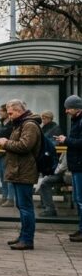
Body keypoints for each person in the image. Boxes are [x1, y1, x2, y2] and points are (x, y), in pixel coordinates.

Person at [0, 98, 41, 250]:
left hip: (24, 170)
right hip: (18, 170)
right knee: (22, 206)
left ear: (19, 111)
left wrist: (6, 142)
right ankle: (23, 236)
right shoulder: (21, 123)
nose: (9, 116)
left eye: (10, 113)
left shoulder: (29, 125)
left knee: (26, 207)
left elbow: (25, 145)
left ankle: (27, 239)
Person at [54, 94, 82, 242]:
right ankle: (80, 229)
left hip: (80, 166)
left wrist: (67, 140)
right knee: (78, 199)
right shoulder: (77, 120)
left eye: (68, 108)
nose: (66, 111)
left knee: (81, 199)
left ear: (76, 108)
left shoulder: (80, 121)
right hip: (76, 165)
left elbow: (79, 142)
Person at [0, 104, 15, 207]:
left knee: (8, 176)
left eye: (1, 111)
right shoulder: (2, 123)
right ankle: (4, 197)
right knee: (2, 176)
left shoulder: (11, 124)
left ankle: (10, 199)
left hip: (6, 153)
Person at [37, 152, 69, 218]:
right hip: (65, 173)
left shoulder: (67, 149)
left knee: (45, 182)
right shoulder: (65, 148)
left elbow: (63, 166)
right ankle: (46, 205)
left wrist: (52, 172)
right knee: (44, 178)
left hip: (67, 174)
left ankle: (50, 209)